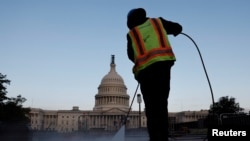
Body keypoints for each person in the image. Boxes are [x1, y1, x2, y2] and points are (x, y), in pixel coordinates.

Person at [126, 8, 182, 141]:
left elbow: (130, 55)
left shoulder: (132, 34)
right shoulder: (157, 22)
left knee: (151, 108)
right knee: (162, 104)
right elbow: (177, 27)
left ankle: (154, 138)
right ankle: (163, 137)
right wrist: (175, 31)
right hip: (162, 68)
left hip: (145, 73)